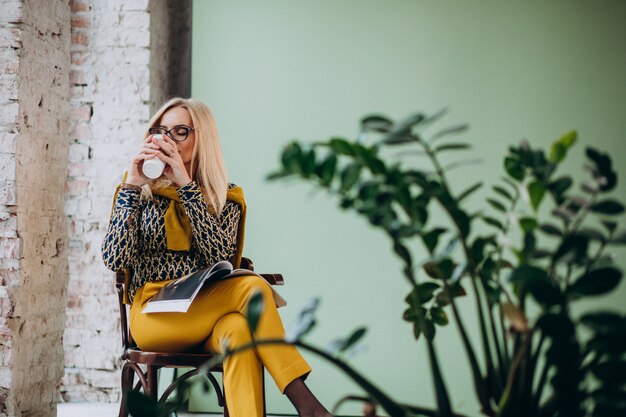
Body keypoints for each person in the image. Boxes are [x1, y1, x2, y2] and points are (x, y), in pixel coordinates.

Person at [102, 97, 333, 417]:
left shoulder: (224, 197)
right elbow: (114, 258)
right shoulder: (138, 193)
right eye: (160, 131)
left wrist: (186, 186)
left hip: (205, 309)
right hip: (153, 315)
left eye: (180, 131)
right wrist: (132, 183)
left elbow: (220, 256)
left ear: (202, 138)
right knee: (252, 289)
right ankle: (306, 404)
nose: (168, 139)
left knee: (239, 329)